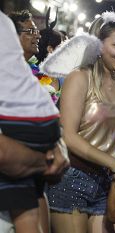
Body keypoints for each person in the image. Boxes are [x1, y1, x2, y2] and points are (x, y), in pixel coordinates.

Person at [46, 12, 115, 233]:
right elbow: (68, 136)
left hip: (106, 181)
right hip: (71, 179)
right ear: (97, 46)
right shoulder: (79, 77)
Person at [0, 10, 69, 233]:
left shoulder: (25, 76)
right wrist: (45, 161)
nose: (36, 36)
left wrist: (56, 144)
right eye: (30, 31)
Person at [9, 10, 61, 104]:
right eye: (31, 31)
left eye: (36, 31)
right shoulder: (5, 70)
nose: (38, 36)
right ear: (13, 36)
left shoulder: (37, 72)